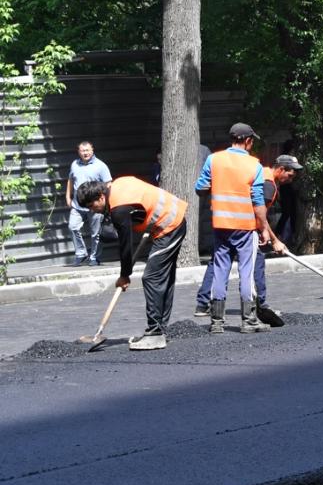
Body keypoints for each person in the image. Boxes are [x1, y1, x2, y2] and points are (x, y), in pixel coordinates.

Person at [76, 177, 187, 350]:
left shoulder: (119, 209)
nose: (93, 211)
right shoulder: (115, 185)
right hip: (169, 220)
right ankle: (160, 329)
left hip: (170, 225)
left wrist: (124, 275)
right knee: (162, 277)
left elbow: (125, 246)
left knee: (152, 277)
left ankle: (155, 333)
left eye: (92, 206)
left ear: (100, 197)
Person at [195, 155, 302, 325]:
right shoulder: (268, 185)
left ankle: (203, 305)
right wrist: (273, 239)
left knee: (218, 263)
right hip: (246, 227)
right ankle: (259, 307)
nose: (290, 179)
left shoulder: (262, 174)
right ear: (280, 169)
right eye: (289, 175)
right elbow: (259, 214)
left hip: (225, 222)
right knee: (254, 265)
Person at [194, 123, 274, 334]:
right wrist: (264, 227)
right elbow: (258, 201)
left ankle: (217, 322)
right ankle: (248, 321)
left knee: (220, 270)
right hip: (245, 227)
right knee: (246, 272)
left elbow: (200, 188)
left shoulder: (214, 159)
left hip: (221, 224)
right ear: (247, 141)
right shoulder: (253, 165)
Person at [65, 141, 112, 266]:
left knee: (95, 233)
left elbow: (108, 184)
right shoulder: (74, 164)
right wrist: (68, 197)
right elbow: (70, 180)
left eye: (87, 150)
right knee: (72, 227)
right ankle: (81, 253)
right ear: (78, 152)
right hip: (77, 205)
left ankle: (94, 257)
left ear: (92, 150)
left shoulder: (101, 166)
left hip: (95, 206)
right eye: (82, 150)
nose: (85, 153)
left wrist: (104, 204)